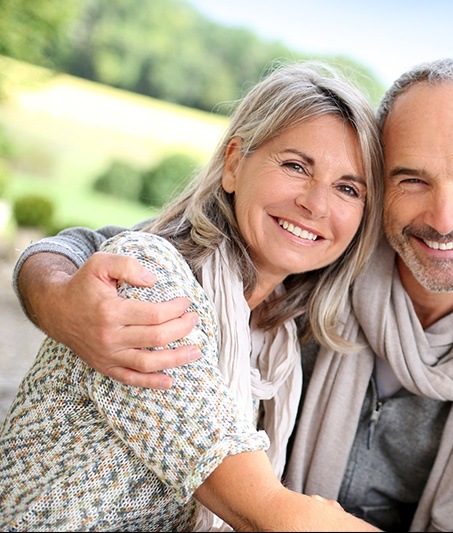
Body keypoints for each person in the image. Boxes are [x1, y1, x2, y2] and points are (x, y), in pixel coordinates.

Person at [10, 58, 453, 532]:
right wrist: (57, 296)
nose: (444, 217)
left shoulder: (294, 305)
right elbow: (108, 249)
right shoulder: (293, 276)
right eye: (412, 179)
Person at [0, 61, 386, 531]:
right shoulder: (151, 283)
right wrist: (49, 285)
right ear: (233, 164)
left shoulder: (276, 338)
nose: (316, 203)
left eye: (348, 188)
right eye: (295, 166)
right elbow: (270, 514)